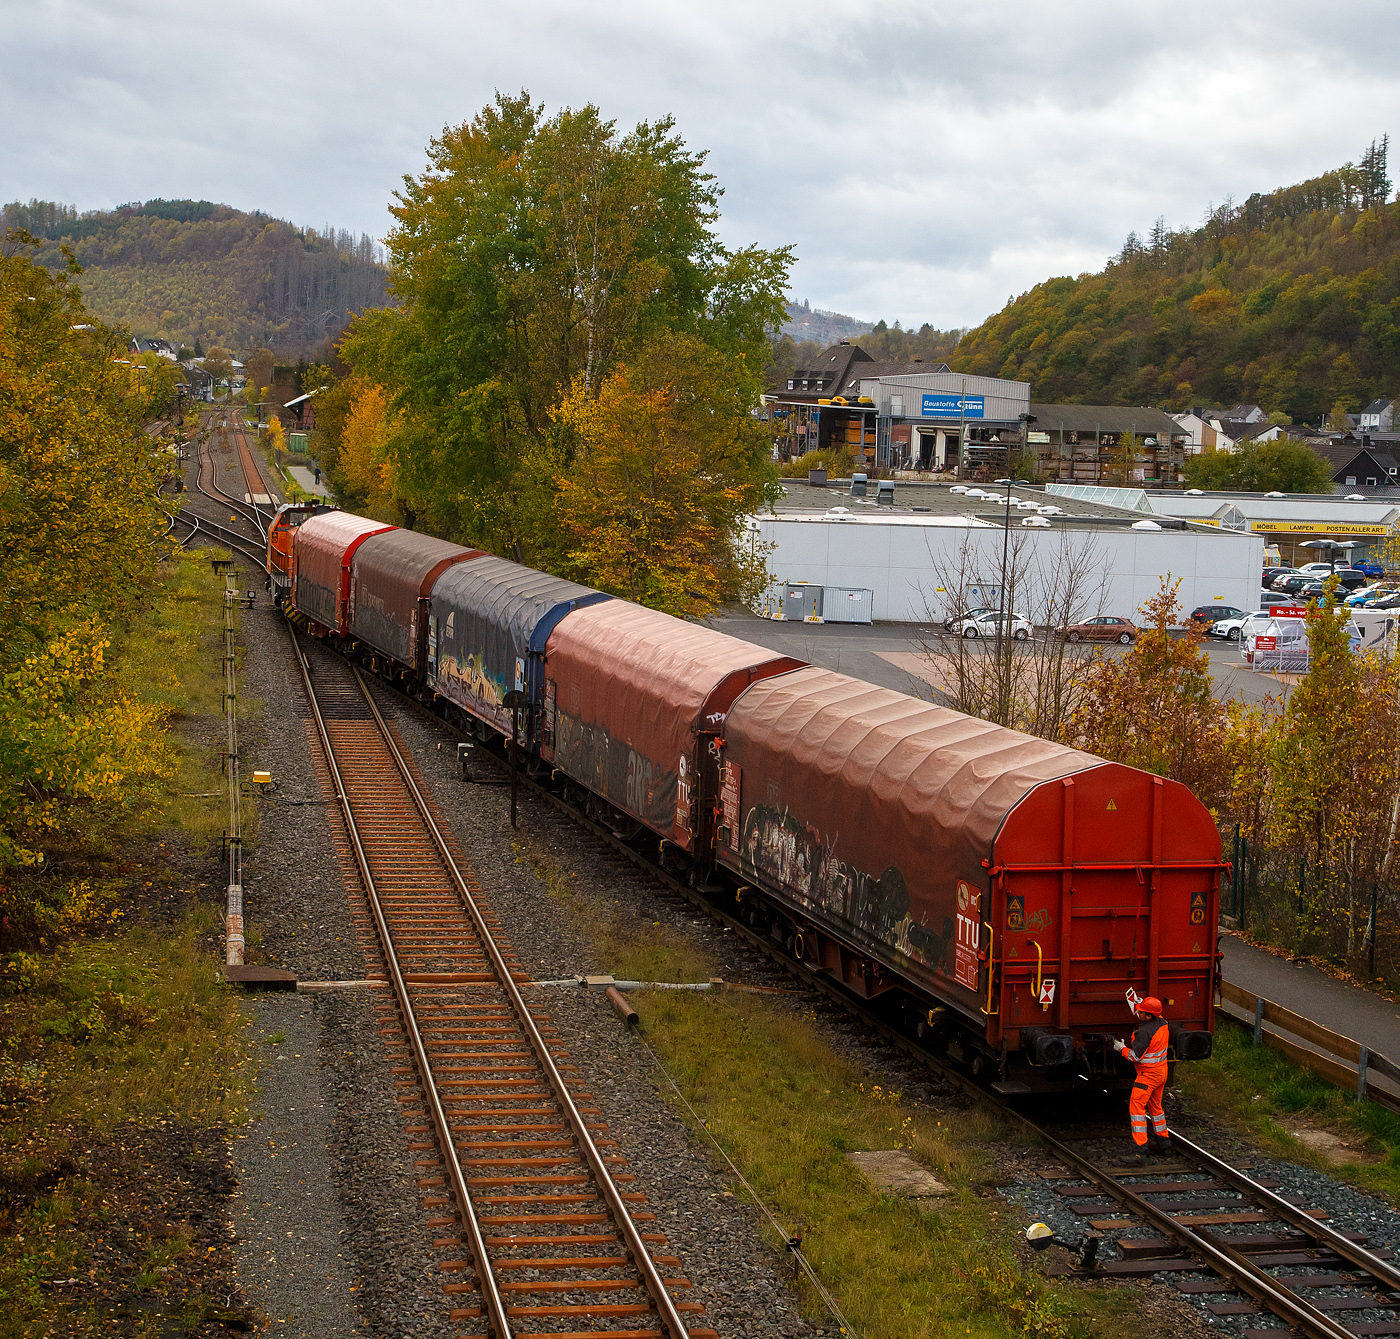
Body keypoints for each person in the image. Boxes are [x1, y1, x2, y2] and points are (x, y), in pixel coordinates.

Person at [1113, 997, 1171, 1161]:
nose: (1137, 1012)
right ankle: (1164, 1145)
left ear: (1148, 1016)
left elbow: (1135, 1056)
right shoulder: (1163, 1023)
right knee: (1156, 1108)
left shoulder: (1144, 1033)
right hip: (1161, 1073)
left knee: (1136, 1108)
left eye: (1141, 1011)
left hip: (1148, 1076)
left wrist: (1121, 1048)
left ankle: (1140, 1150)